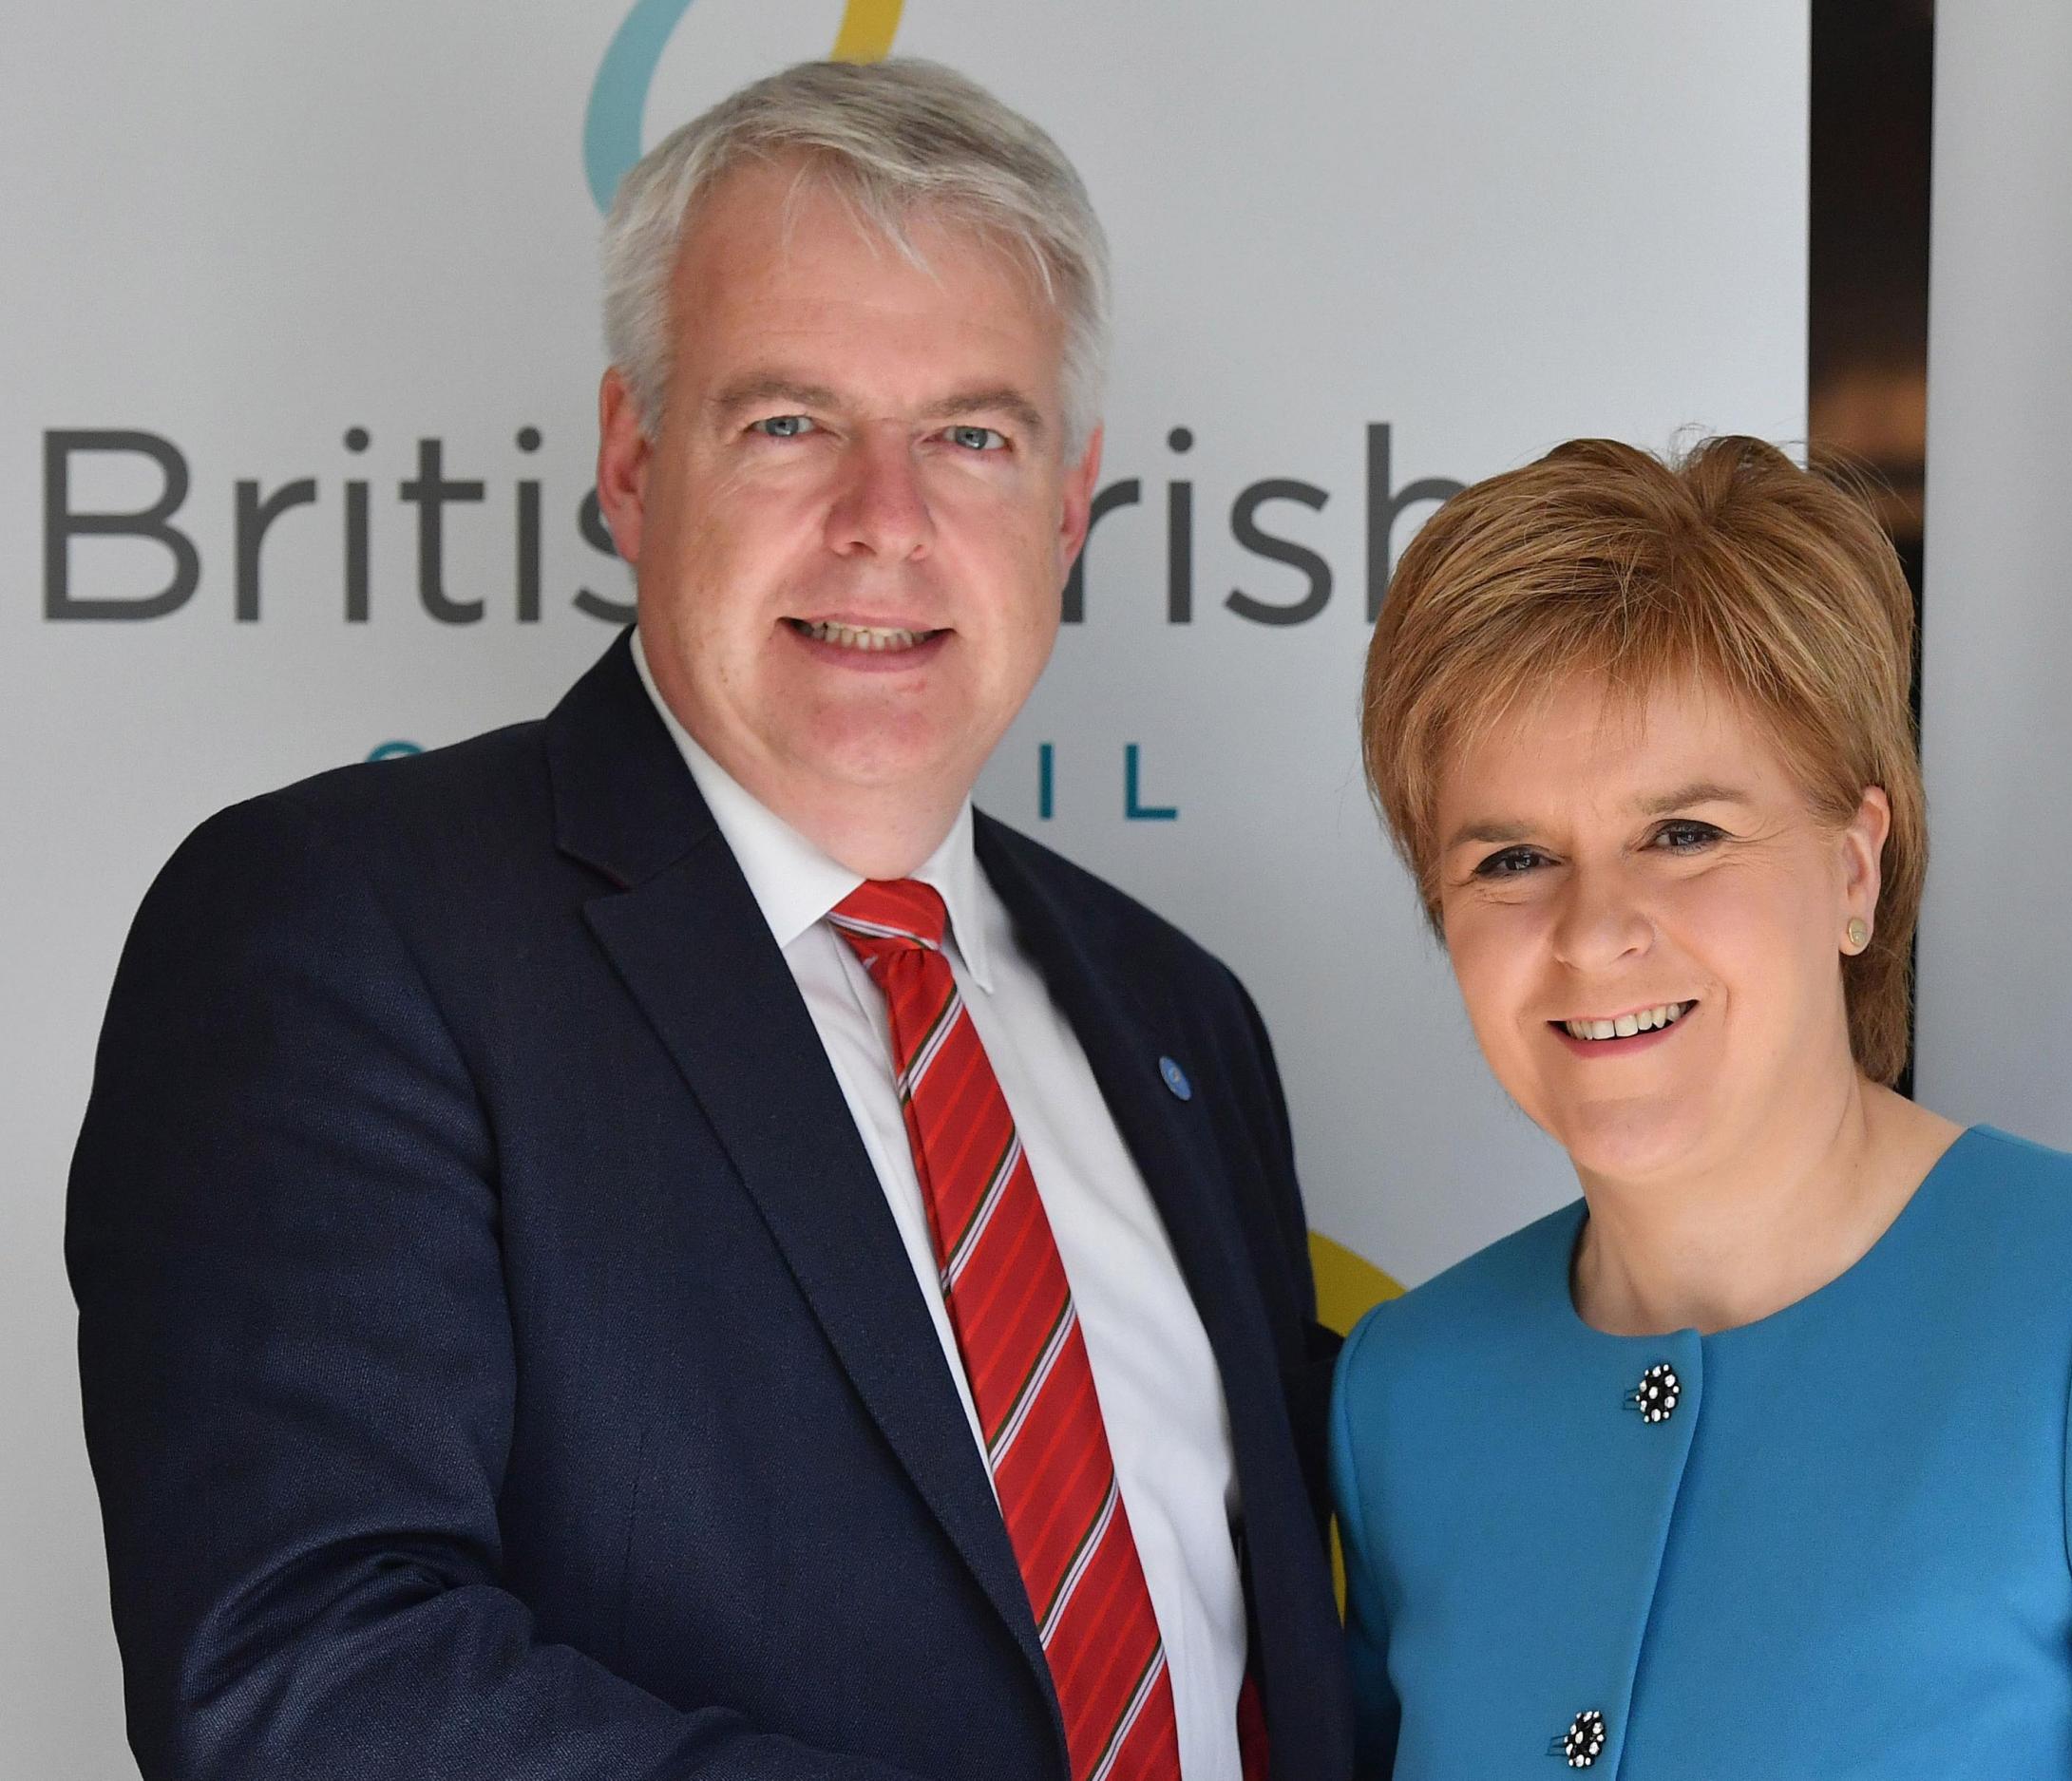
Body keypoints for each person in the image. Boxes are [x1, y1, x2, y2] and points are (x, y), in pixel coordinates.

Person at [67, 58, 1350, 1781]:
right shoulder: (344, 932)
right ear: (633, 463)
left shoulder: (1181, 1017)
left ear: (1068, 506)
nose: (883, 524)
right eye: (790, 423)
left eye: (971, 434)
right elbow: (301, 1675)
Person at [1333, 435, 2072, 1778]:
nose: (1595, 933)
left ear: (1855, 869)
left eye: (1685, 833)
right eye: (1514, 858)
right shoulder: (1407, 1394)